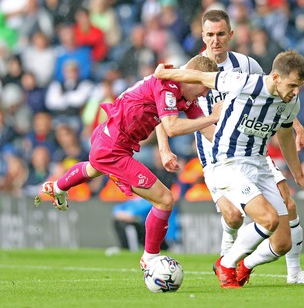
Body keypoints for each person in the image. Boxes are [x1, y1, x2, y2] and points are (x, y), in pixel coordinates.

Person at [156, 9, 304, 285]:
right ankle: (227, 255)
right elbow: (163, 108)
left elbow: (276, 96)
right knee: (234, 217)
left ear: (231, 35)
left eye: (221, 34)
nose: (216, 40)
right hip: (220, 154)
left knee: (287, 207)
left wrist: (296, 126)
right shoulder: (193, 70)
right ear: (202, 36)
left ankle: (291, 272)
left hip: (255, 151)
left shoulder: (247, 67)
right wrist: (165, 147)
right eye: (210, 35)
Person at [36, 55, 222, 270]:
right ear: (192, 78)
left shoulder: (182, 92)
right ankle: (150, 257)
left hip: (111, 138)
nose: (206, 93)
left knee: (93, 167)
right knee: (164, 199)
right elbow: (172, 126)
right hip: (114, 147)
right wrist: (211, 117)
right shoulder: (168, 87)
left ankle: (57, 187)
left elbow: (202, 130)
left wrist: (232, 149)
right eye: (204, 86)